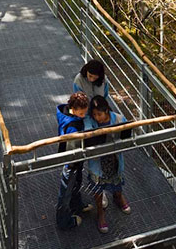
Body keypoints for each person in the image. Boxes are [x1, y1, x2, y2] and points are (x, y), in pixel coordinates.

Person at [84, 96, 131, 233]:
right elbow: (87, 133)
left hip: (114, 158)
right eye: (94, 114)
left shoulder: (118, 118)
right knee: (98, 187)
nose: (96, 117)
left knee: (117, 179)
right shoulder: (90, 121)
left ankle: (118, 197)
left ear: (106, 111)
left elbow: (126, 134)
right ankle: (100, 213)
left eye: (99, 114)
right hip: (98, 161)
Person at [55, 92, 93, 230]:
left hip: (74, 159)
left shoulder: (66, 113)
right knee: (66, 190)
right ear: (74, 109)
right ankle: (64, 221)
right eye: (82, 113)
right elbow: (74, 146)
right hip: (72, 161)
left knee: (76, 182)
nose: (84, 115)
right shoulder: (72, 126)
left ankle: (76, 204)